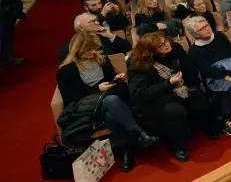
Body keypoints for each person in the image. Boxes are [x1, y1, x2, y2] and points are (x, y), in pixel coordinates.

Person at [57, 32, 159, 172]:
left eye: (95, 48)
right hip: (86, 108)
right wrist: (96, 89)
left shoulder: (102, 61)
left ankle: (126, 151)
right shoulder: (66, 71)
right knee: (111, 100)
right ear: (78, 50)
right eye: (89, 49)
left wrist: (118, 79)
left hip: (110, 102)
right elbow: (70, 99)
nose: (93, 52)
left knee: (111, 114)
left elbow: (111, 79)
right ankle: (138, 133)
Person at [127, 32, 221, 162]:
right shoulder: (139, 65)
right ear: (151, 51)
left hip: (179, 90)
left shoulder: (175, 49)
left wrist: (192, 87)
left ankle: (208, 128)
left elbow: (189, 70)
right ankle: (178, 146)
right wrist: (168, 83)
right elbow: (141, 94)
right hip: (157, 101)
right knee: (175, 110)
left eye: (165, 41)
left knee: (198, 98)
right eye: (161, 45)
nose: (166, 45)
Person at [185, 16, 231, 135]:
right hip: (215, 78)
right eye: (202, 28)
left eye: (207, 25)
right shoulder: (194, 50)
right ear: (196, 34)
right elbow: (208, 71)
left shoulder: (219, 36)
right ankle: (227, 119)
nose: (207, 29)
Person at [59, 13, 132, 63]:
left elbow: (128, 48)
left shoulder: (103, 36)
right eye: (92, 21)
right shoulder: (69, 48)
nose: (97, 23)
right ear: (81, 28)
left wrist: (110, 36)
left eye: (96, 20)